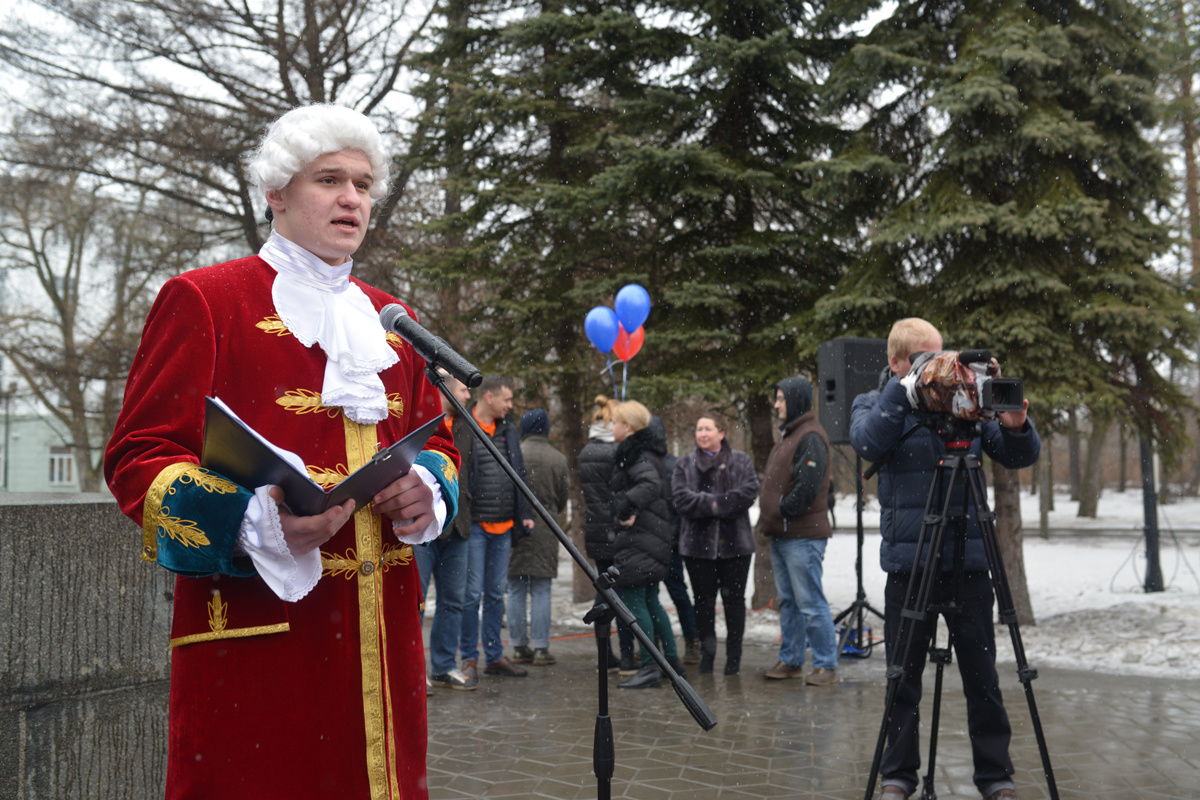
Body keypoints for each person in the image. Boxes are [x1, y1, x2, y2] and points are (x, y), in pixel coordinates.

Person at [103, 104, 460, 799]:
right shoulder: (204, 300)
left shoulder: (390, 318)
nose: (351, 198)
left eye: (362, 184)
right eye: (329, 179)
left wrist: (431, 487)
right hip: (258, 643)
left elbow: (436, 441)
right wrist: (247, 519)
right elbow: (137, 458)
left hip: (382, 639)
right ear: (276, 193)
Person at [850, 317, 1040, 800]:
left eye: (945, 356)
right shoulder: (875, 402)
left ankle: (995, 777)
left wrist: (1016, 425)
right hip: (909, 566)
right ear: (896, 363)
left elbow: (1016, 455)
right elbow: (869, 442)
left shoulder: (967, 406)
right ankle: (897, 775)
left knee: (984, 681)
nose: (943, 368)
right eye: (926, 360)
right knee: (902, 680)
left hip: (969, 560)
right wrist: (906, 391)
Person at [759, 376, 839, 686]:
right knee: (790, 602)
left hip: (803, 537)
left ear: (795, 401)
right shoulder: (791, 435)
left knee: (809, 602)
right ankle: (791, 660)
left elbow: (808, 489)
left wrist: (780, 509)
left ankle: (825, 665)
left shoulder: (811, 437)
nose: (777, 404)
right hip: (785, 535)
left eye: (780, 398)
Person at [672, 410, 759, 675]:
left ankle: (734, 658)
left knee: (734, 603)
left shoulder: (741, 461)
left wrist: (709, 503)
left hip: (736, 548)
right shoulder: (684, 464)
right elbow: (681, 499)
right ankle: (707, 655)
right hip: (697, 549)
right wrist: (718, 502)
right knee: (703, 602)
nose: (702, 434)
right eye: (699, 429)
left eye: (708, 429)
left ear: (721, 433)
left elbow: (748, 493)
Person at [459, 374, 535, 678]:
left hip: (504, 526)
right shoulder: (465, 426)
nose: (510, 405)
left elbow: (519, 472)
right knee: (472, 594)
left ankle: (494, 656)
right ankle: (468, 658)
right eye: (506, 399)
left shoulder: (508, 430)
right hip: (476, 525)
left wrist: (525, 510)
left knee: (495, 594)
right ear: (489, 397)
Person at [608, 400, 687, 689]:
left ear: (627, 427)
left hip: (640, 540)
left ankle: (650, 667)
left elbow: (649, 486)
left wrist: (627, 508)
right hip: (650, 538)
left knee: (635, 600)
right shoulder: (645, 451)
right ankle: (671, 662)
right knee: (651, 601)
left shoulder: (637, 454)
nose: (611, 427)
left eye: (615, 422)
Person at [415, 369, 477, 690]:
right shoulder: (417, 422)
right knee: (417, 601)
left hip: (459, 528)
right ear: (445, 389)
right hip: (422, 533)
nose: (468, 396)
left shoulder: (468, 427)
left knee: (454, 600)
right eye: (463, 390)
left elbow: (475, 475)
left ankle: (443, 666)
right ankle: (414, 670)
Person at [507, 408, 569, 665]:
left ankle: (519, 646)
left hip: (517, 525)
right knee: (542, 589)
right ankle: (542, 647)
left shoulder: (514, 453)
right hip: (546, 527)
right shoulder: (558, 458)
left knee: (516, 588)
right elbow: (562, 496)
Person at [578, 395, 635, 674]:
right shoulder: (617, 452)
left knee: (605, 590)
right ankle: (626, 655)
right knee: (621, 593)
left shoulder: (586, 451)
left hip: (597, 531)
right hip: (618, 530)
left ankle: (606, 654)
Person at [653, 415, 702, 666]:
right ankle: (686, 642)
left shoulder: (671, 466)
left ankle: (690, 642)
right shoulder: (666, 465)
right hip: (662, 541)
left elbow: (680, 505)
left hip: (664, 541)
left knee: (671, 593)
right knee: (670, 593)